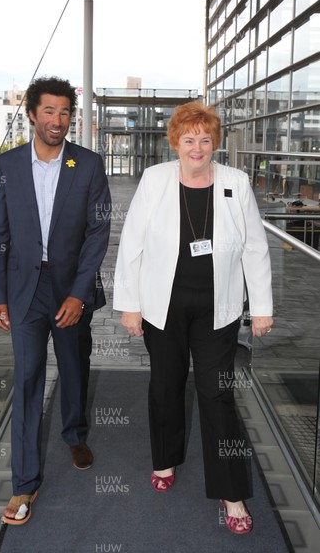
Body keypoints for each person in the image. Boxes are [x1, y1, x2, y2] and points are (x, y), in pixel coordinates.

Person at [113, 101, 273, 534]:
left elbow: (255, 247)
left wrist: (261, 308)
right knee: (166, 385)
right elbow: (132, 243)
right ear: (176, 143)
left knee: (217, 394)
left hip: (217, 308)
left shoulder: (236, 183)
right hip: (162, 305)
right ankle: (165, 459)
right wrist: (130, 304)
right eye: (189, 139)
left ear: (214, 143)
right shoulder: (155, 180)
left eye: (205, 139)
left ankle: (231, 491)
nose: (197, 147)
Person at [0, 76, 111, 525]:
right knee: (27, 378)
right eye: (50, 111)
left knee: (75, 365)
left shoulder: (89, 165)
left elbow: (98, 232)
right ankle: (24, 485)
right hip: (24, 290)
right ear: (33, 114)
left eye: (65, 113)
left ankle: (75, 432)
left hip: (70, 288)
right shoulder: (8, 165)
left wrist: (80, 292)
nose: (58, 120)